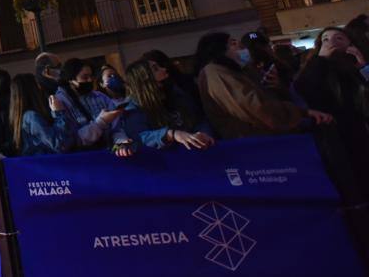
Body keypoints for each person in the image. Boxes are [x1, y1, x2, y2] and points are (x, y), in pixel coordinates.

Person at [195, 32, 332, 138]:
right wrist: (301, 113)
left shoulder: (237, 71)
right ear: (219, 50)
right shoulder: (216, 73)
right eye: (233, 43)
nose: (241, 49)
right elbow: (256, 107)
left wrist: (276, 87)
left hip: (266, 136)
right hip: (260, 142)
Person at [294, 27, 369, 197]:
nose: (331, 42)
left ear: (350, 44)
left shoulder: (352, 66)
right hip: (333, 133)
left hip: (358, 130)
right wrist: (320, 59)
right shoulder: (314, 65)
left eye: (339, 38)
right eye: (326, 39)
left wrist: (363, 65)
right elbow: (306, 90)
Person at [121, 60, 214, 152]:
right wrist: (170, 134)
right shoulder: (133, 109)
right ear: (144, 79)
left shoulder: (177, 94)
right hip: (164, 162)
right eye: (156, 69)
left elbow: (199, 119)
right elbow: (139, 137)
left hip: (195, 153)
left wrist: (203, 134)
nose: (164, 69)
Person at [54, 59, 128, 153]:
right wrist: (101, 122)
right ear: (70, 79)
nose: (89, 80)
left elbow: (116, 128)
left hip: (109, 152)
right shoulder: (60, 102)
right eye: (84, 77)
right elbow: (75, 140)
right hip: (84, 159)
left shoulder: (100, 96)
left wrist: (121, 143)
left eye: (91, 76)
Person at [9, 74, 75, 156]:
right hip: (48, 164)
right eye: (37, 84)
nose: (41, 87)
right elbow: (59, 144)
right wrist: (59, 113)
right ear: (32, 90)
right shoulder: (31, 117)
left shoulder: (22, 117)